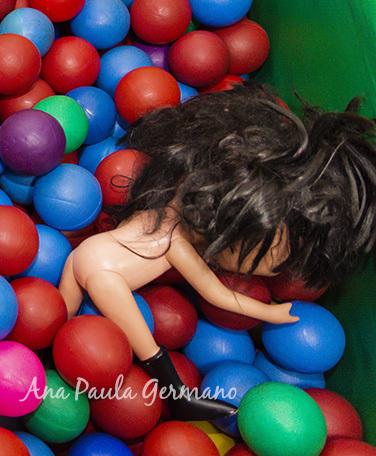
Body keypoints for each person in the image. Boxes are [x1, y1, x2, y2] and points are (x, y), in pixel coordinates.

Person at [58, 82, 376, 420]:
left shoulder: (165, 206)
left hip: (83, 256)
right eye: (266, 260)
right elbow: (216, 294)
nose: (274, 271)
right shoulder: (175, 242)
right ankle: (177, 393)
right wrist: (270, 313)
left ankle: (50, 350)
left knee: (58, 321)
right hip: (102, 274)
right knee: (142, 338)